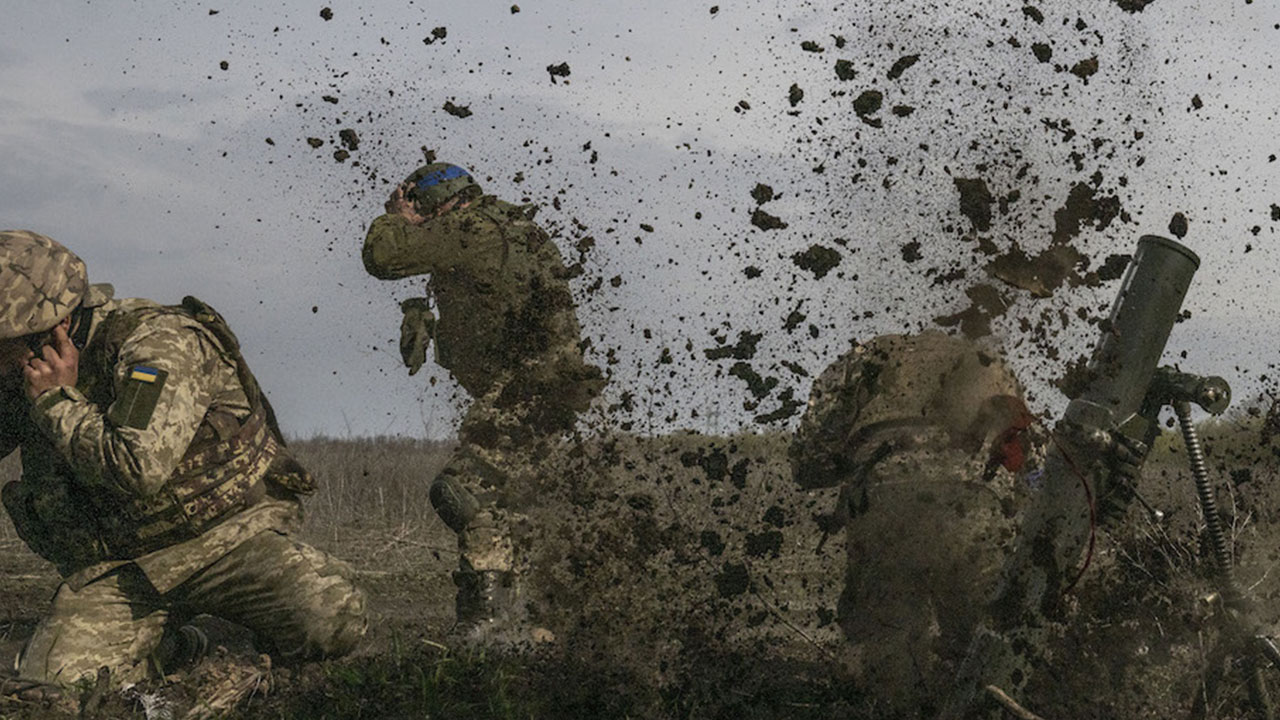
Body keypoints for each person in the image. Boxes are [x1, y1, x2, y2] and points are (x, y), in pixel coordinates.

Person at [0, 230, 367, 691]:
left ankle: (226, 639)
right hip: (122, 568)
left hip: (223, 543)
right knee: (58, 686)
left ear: (52, 331)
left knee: (333, 616)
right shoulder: (21, 369)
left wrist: (56, 401)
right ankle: (181, 647)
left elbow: (137, 466)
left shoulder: (157, 344)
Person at [362, 162, 604, 634]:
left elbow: (383, 257)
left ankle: (492, 621)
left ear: (436, 202)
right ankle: (523, 623)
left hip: (531, 391)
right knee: (502, 505)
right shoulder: (511, 226)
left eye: (420, 206)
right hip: (544, 390)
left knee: (463, 490)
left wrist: (396, 217)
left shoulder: (469, 227)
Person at [789, 331, 1041, 716]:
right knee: (989, 645)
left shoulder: (865, 360)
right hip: (976, 512)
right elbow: (1031, 467)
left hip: (886, 507)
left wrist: (851, 463)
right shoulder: (988, 361)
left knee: (888, 651)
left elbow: (808, 460)